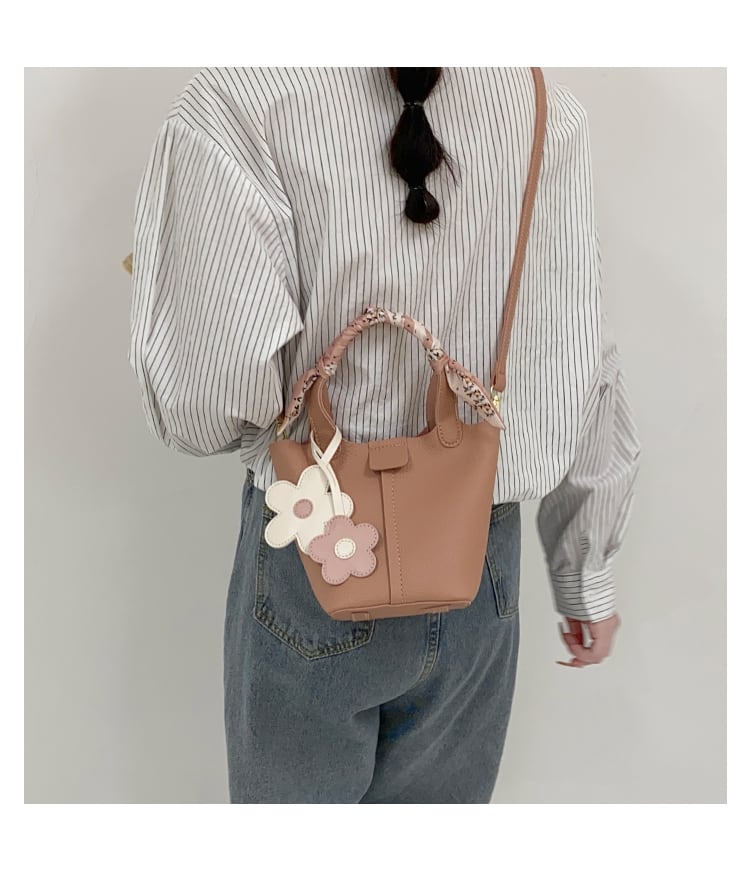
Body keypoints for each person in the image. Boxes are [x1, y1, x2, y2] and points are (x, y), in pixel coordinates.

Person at [128, 67, 641, 803]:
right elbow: (578, 354)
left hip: (314, 537)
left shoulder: (242, 98)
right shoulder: (540, 110)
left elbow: (204, 403)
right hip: (478, 558)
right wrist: (584, 573)